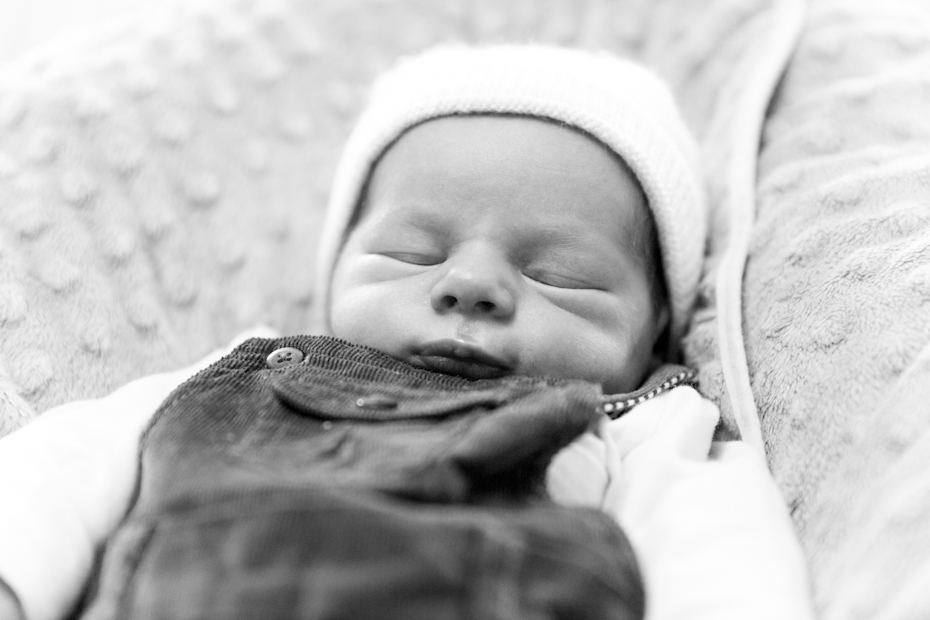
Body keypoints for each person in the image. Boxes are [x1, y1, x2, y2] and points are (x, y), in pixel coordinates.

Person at [0, 45, 814, 620]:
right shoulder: (236, 372)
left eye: (558, 274)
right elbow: (61, 469)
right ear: (334, 274)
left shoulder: (643, 429)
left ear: (656, 325)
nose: (472, 285)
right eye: (412, 253)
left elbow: (719, 561)